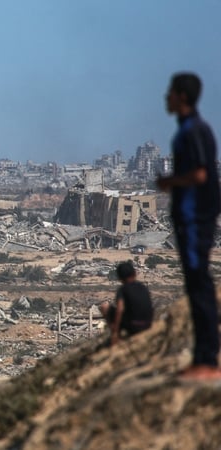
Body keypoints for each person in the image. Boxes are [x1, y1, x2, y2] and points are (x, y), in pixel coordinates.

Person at [156, 72, 221, 381]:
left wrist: (170, 182)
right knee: (197, 287)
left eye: (170, 92)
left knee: (200, 287)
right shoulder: (190, 130)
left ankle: (208, 360)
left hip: (196, 219)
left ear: (181, 96)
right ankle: (203, 356)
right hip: (192, 218)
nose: (165, 97)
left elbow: (200, 175)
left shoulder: (194, 131)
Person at [100, 262, 153, 346]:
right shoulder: (143, 287)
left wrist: (115, 331)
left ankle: (117, 337)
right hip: (147, 325)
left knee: (104, 307)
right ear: (134, 273)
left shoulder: (123, 290)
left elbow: (120, 309)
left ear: (120, 278)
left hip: (133, 326)